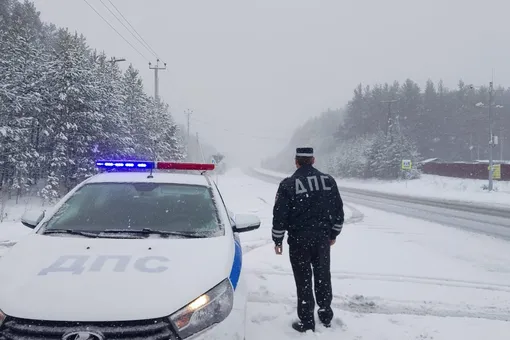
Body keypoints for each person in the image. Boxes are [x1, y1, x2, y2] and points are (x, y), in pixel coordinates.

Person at [272, 147, 344, 333]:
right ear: (313, 160)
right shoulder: (328, 181)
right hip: (322, 240)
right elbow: (338, 211)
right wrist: (333, 235)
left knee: (303, 279)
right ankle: (325, 314)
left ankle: (307, 321)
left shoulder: (288, 184)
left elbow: (280, 215)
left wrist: (278, 240)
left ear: (296, 162)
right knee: (323, 276)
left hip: (298, 241)